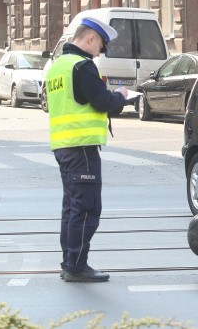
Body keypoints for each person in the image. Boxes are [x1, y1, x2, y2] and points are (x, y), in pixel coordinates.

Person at [46, 17, 130, 282]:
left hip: (63, 146)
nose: (100, 52)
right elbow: (103, 101)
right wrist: (122, 97)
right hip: (81, 148)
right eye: (101, 45)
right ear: (90, 38)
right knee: (86, 208)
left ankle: (70, 261)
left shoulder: (57, 67)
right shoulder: (82, 66)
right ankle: (76, 266)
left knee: (72, 207)